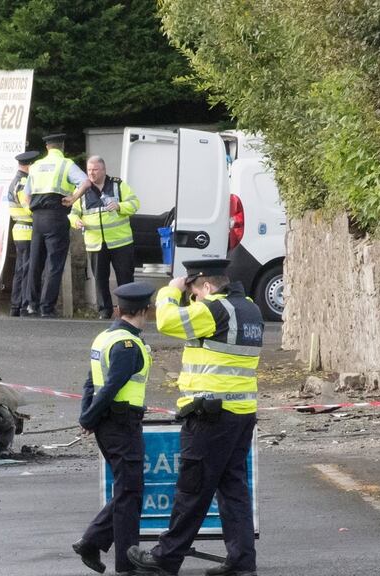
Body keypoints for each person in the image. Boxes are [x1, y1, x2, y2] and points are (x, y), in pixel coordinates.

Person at [127, 259, 264, 576]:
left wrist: (169, 292)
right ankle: (242, 561)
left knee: (192, 489)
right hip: (241, 412)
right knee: (233, 489)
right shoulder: (249, 309)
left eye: (194, 292)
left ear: (206, 285)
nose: (193, 299)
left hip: (211, 414)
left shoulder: (214, 309)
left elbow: (167, 322)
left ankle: (166, 557)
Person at [72, 281, 156, 575]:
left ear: (119, 309)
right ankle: (126, 563)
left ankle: (92, 542)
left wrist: (88, 415)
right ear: (144, 310)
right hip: (121, 424)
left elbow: (90, 383)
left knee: (127, 489)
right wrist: (89, 418)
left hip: (111, 424)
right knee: (130, 491)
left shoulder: (103, 338)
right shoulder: (127, 344)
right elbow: (109, 388)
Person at [20, 133, 89, 318]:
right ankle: (46, 307)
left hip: (37, 218)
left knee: (35, 262)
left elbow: (25, 196)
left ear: (47, 148)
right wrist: (74, 198)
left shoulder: (35, 166)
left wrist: (31, 211)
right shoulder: (66, 164)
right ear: (62, 146)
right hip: (56, 215)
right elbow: (86, 182)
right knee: (54, 264)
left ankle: (31, 306)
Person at [69, 156, 140, 320]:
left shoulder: (118, 185)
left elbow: (135, 203)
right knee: (100, 280)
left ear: (104, 170)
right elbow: (73, 213)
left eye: (95, 170)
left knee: (125, 278)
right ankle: (104, 311)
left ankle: (128, 311)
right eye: (88, 170)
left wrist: (120, 206)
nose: (91, 173)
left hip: (121, 242)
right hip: (95, 244)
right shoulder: (83, 189)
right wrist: (75, 221)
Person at [6, 150, 40, 316]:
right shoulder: (23, 182)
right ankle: (21, 305)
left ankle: (16, 306)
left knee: (21, 269)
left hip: (20, 230)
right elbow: (28, 207)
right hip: (26, 230)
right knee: (26, 270)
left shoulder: (16, 180)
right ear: (30, 165)